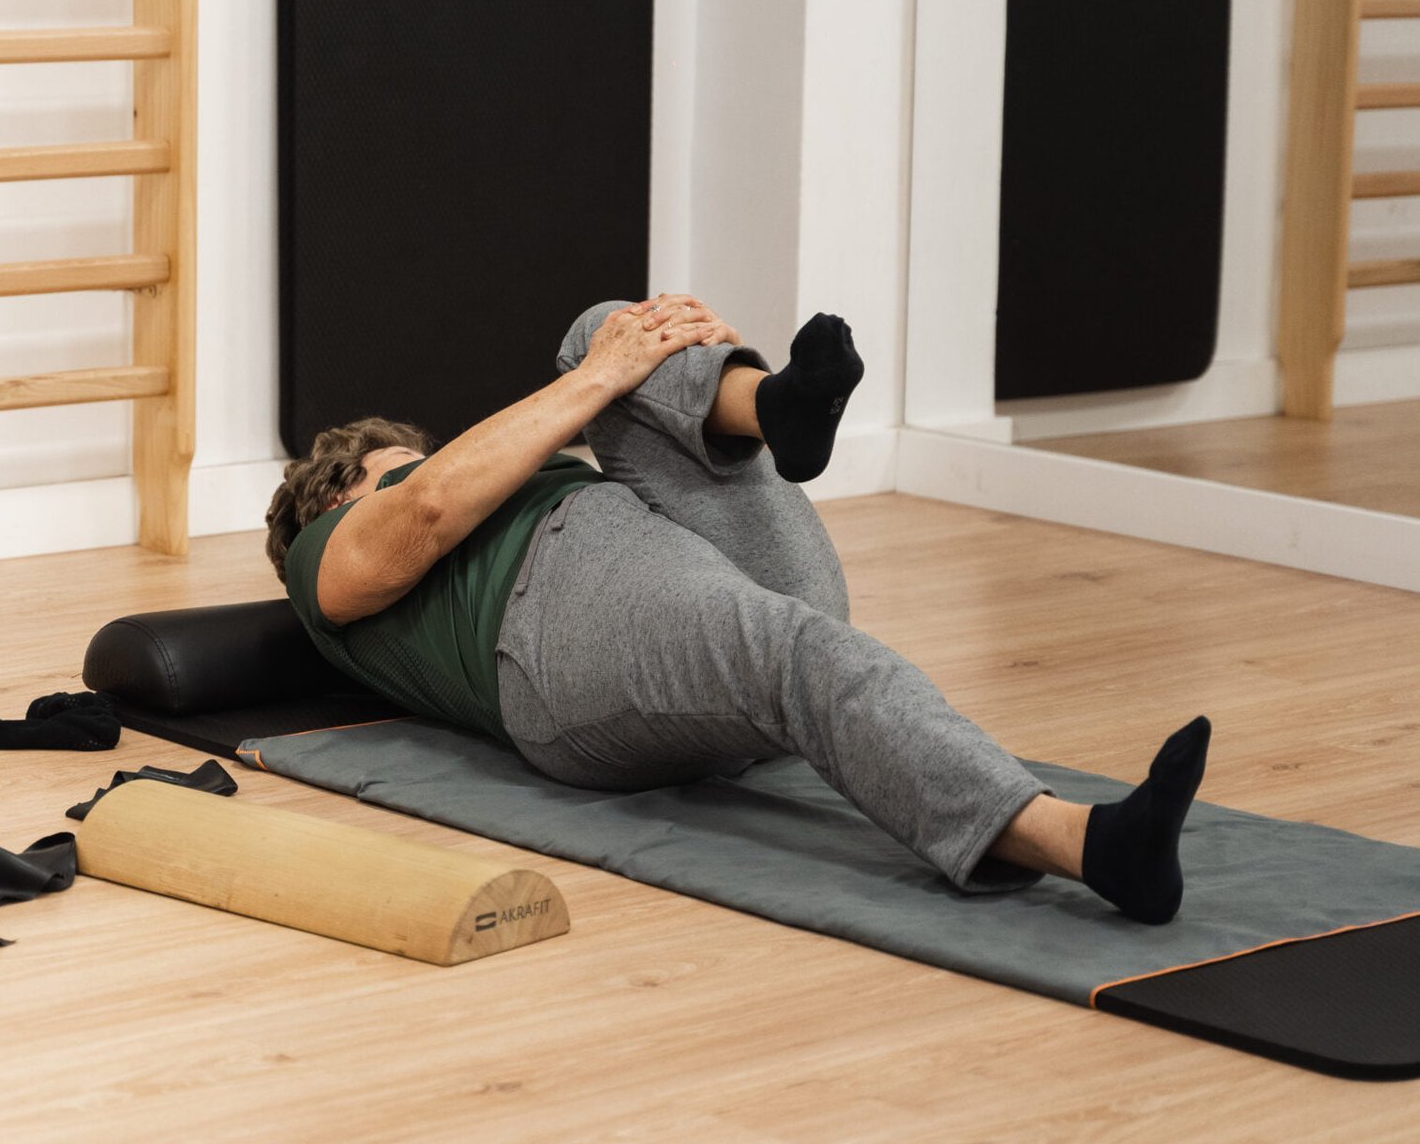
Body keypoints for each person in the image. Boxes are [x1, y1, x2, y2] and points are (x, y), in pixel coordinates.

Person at [265, 296, 1210, 921]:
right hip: (554, 631)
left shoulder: (520, 475)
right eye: (402, 463)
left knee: (599, 324)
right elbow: (427, 509)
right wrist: (602, 372)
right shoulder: (327, 560)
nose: (433, 466)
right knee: (788, 644)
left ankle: (779, 407)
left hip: (663, 563)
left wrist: (647, 358)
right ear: (339, 494)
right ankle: (1087, 845)